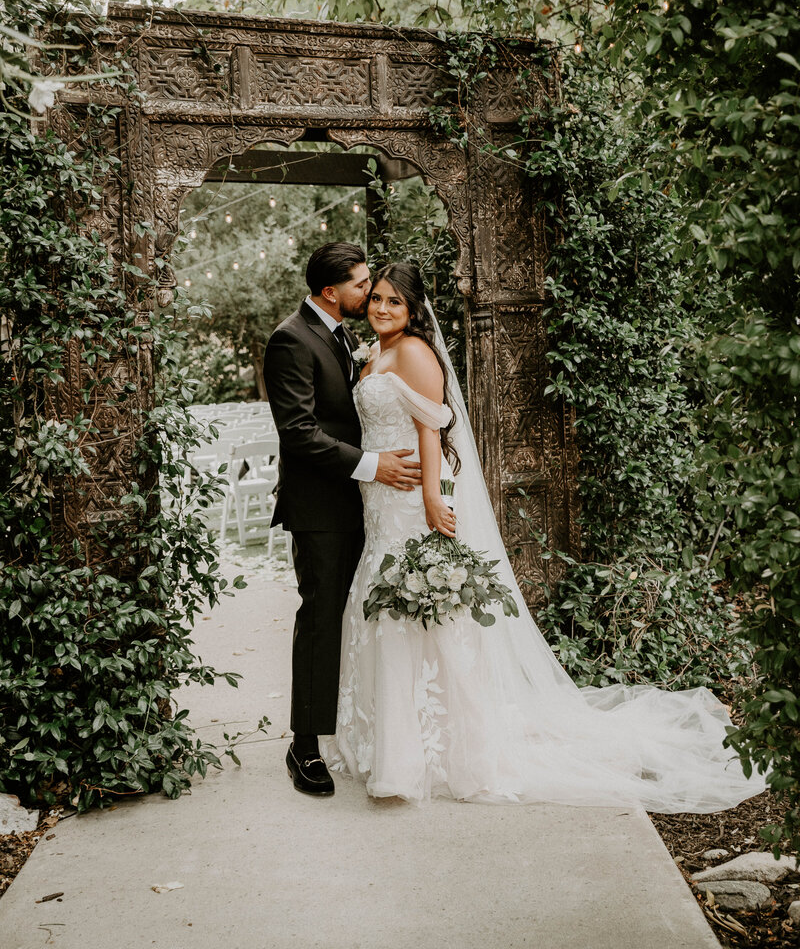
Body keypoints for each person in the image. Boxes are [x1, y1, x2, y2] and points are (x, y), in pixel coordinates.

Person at [326, 261, 767, 812]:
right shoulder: (374, 354)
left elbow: (432, 428)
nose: (382, 308)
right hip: (380, 502)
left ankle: (429, 752)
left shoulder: (414, 353)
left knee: (420, 615)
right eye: (377, 300)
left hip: (414, 498)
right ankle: (398, 740)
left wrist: (434, 497)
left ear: (414, 309)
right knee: (389, 610)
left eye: (394, 301)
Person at [263, 243, 424, 797]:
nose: (369, 293)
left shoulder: (341, 336)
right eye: (362, 285)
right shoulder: (290, 338)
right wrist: (373, 464)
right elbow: (300, 433)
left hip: (365, 505)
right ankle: (304, 747)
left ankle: (362, 728)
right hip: (322, 509)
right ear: (332, 292)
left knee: (360, 616)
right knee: (323, 617)